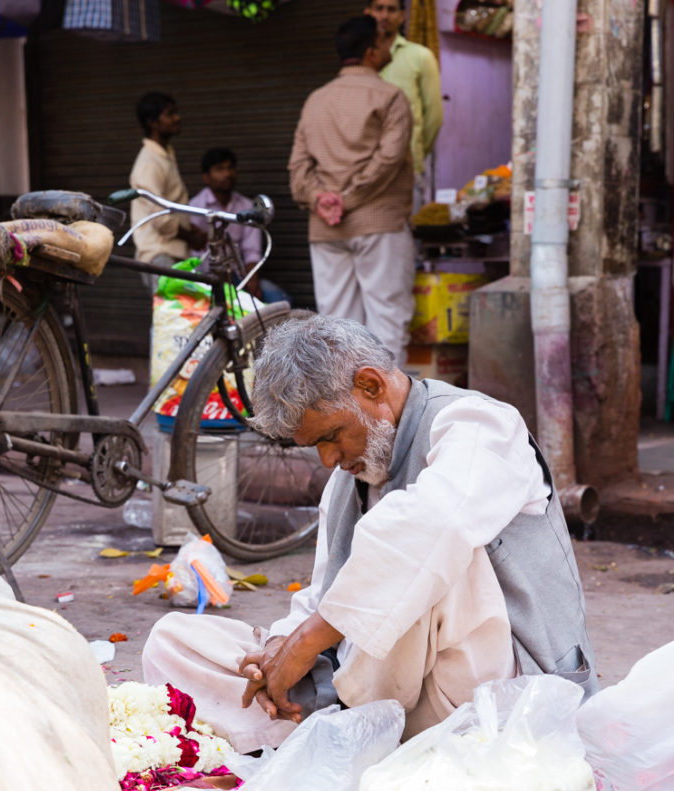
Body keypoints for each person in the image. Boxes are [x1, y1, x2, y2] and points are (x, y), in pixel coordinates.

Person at [141, 314, 597, 755]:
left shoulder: (480, 424)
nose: (327, 460)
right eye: (315, 446)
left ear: (371, 385)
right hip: (385, 691)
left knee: (426, 555)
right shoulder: (350, 475)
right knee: (173, 642)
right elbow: (327, 593)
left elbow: (430, 530)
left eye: (331, 436)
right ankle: (328, 723)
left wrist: (306, 645)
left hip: (501, 703)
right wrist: (279, 650)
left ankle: (339, 729)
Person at [288, 15, 415, 366]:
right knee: (386, 319)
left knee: (337, 326)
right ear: (372, 51)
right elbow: (389, 159)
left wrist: (321, 199)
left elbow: (298, 169)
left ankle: (350, 413)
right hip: (378, 224)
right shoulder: (391, 97)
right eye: (386, 40)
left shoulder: (315, 100)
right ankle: (390, 416)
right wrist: (349, 199)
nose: (390, 45)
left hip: (326, 228)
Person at [365, 0, 443, 211]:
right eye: (378, 9)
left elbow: (433, 118)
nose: (384, 16)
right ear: (367, 13)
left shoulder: (420, 57)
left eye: (391, 9)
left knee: (407, 239)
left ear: (402, 16)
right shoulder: (359, 59)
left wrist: (413, 151)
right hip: (361, 175)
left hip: (406, 170)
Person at [188, 146, 290, 305]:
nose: (226, 174)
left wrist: (252, 281)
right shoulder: (195, 207)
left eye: (230, 168)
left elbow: (252, 251)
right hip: (206, 279)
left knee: (280, 301)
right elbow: (195, 256)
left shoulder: (246, 206)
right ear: (206, 177)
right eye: (219, 169)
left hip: (238, 277)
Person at [129, 92, 206, 292]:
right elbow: (160, 217)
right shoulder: (149, 162)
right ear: (153, 122)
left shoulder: (164, 155)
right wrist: (190, 236)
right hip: (160, 255)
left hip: (172, 253)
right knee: (170, 319)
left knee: (178, 318)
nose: (177, 118)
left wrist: (188, 228)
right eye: (170, 114)